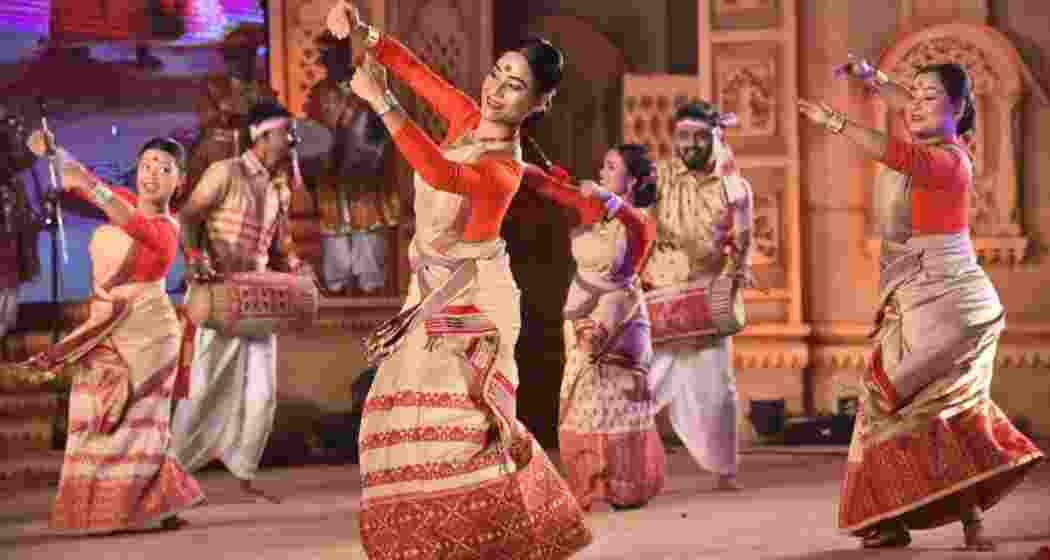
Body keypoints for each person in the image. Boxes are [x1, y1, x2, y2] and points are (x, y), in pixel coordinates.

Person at [327, 2, 591, 557]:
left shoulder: (505, 168)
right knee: (399, 420)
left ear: (538, 103)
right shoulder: (468, 118)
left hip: (469, 300)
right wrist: (359, 29)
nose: (497, 89)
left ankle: (493, 539)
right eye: (498, 73)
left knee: (458, 425)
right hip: (427, 292)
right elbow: (416, 69)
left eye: (515, 85)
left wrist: (383, 104)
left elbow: (440, 172)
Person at [799, 57, 1044, 550]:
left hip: (949, 304)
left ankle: (923, 517)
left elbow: (892, 153)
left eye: (931, 97)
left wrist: (834, 121)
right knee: (935, 411)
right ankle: (913, 518)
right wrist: (879, 83)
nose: (915, 106)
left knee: (903, 401)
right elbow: (910, 108)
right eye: (914, 96)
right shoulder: (932, 138)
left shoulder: (947, 162)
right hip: (918, 294)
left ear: (958, 109)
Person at [16, 133, 205, 534]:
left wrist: (88, 185)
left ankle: (132, 509)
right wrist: (52, 152)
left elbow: (123, 215)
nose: (153, 174)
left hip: (149, 334)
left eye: (164, 169)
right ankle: (148, 504)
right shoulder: (122, 198)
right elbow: (82, 182)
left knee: (137, 425)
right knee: (95, 414)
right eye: (147, 165)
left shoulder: (166, 228)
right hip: (107, 326)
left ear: (180, 182)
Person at [171, 100, 313, 504]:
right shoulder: (224, 172)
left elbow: (281, 243)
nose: (291, 140)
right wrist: (197, 260)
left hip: (258, 296)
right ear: (262, 135)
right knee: (203, 385)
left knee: (263, 391)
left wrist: (298, 267)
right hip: (218, 293)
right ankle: (172, 470)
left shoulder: (277, 185)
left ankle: (243, 469)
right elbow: (189, 216)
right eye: (286, 132)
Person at [523, 144, 664, 511]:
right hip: (579, 306)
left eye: (611, 167)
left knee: (616, 398)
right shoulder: (593, 209)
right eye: (603, 167)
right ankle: (588, 484)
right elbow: (551, 189)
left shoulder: (642, 218)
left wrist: (604, 196)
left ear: (632, 181)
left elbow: (633, 224)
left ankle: (627, 486)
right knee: (583, 398)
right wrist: (513, 163)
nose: (602, 173)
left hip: (617, 310)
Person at [643, 101, 754, 492]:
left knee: (717, 391)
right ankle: (620, 467)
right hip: (661, 294)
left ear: (715, 138)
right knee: (639, 384)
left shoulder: (734, 185)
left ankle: (725, 469)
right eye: (683, 137)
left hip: (706, 298)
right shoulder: (658, 177)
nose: (689, 145)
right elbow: (636, 222)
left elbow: (741, 244)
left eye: (699, 137)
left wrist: (731, 280)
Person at [306, 42, 399, 295]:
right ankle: (337, 290)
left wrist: (371, 156)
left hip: (365, 182)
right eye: (327, 59)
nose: (331, 64)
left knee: (368, 242)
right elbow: (309, 136)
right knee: (335, 246)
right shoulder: (318, 94)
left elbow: (385, 133)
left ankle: (370, 293)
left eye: (336, 58)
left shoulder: (368, 89)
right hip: (331, 181)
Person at [185, 22, 277, 195]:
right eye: (237, 56)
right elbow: (206, 119)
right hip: (221, 151)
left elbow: (274, 121)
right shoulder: (213, 87)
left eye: (249, 54)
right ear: (229, 60)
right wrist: (226, 114)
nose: (244, 62)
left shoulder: (263, 89)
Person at [0, 105, 40, 340]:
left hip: (9, 213)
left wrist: (34, 145)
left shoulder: (9, 120)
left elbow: (22, 159)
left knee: (9, 277)